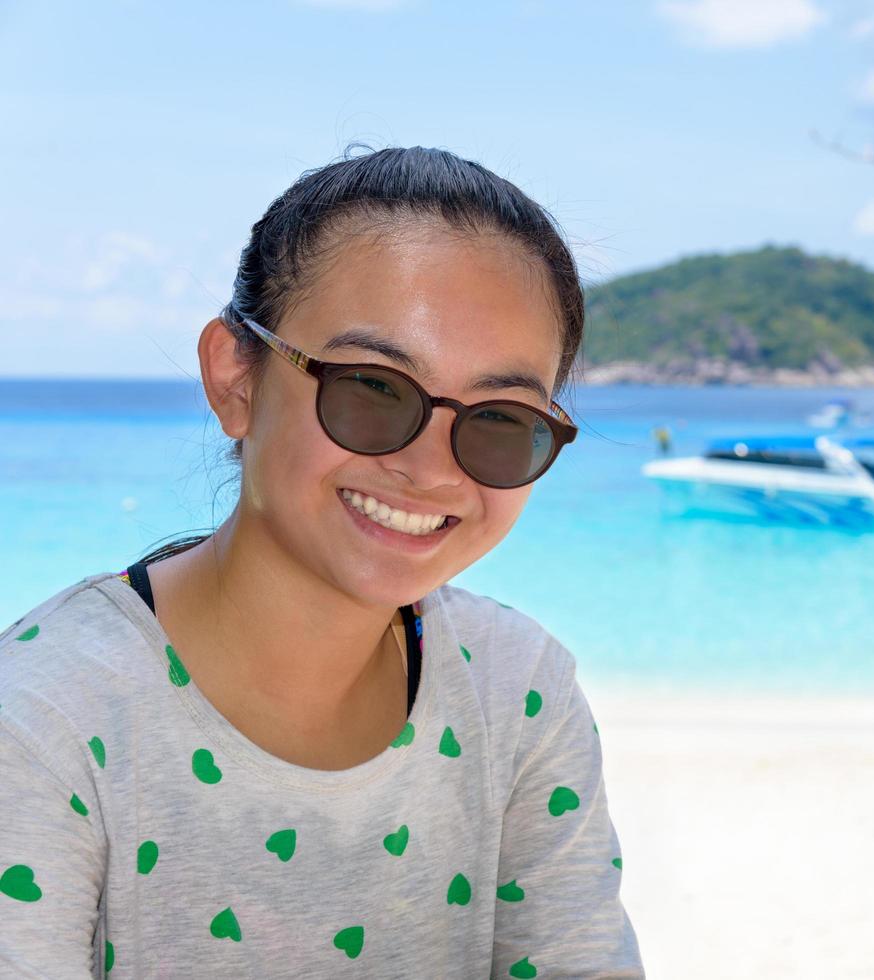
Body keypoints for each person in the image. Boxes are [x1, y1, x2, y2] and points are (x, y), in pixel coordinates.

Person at [0, 146, 644, 978]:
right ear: (235, 378)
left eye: (499, 418)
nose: (434, 468)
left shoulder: (520, 694)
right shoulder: (42, 721)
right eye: (373, 386)